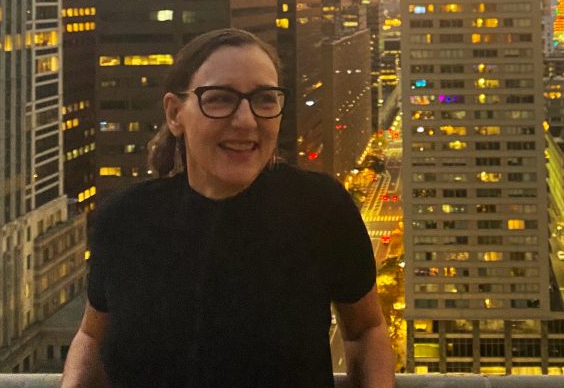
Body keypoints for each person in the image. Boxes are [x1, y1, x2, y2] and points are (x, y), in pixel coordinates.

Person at [61, 28, 395, 388]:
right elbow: (92, 336)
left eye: (265, 100)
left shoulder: (321, 210)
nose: (246, 120)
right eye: (220, 99)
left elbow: (366, 330)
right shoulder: (125, 219)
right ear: (175, 114)